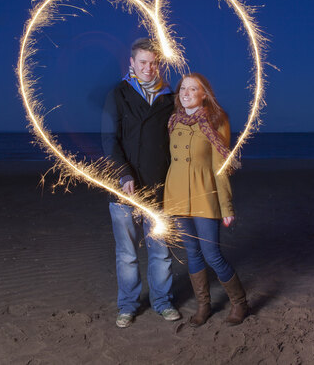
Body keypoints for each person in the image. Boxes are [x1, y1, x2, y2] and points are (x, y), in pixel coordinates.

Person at [101, 38, 181, 328]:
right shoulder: (118, 95)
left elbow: (178, 141)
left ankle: (162, 302)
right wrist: (123, 174)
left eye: (153, 62)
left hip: (159, 188)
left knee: (161, 252)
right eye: (143, 62)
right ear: (132, 63)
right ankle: (128, 305)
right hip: (124, 189)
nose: (148, 68)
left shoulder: (169, 98)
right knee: (127, 254)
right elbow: (109, 140)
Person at [163, 73, 248, 327]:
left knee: (212, 254)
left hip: (204, 194)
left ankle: (240, 303)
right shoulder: (173, 121)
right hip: (177, 196)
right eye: (182, 89)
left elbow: (220, 167)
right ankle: (204, 306)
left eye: (192, 89)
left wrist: (226, 207)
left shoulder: (215, 120)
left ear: (204, 94)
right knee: (192, 253)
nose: (186, 93)